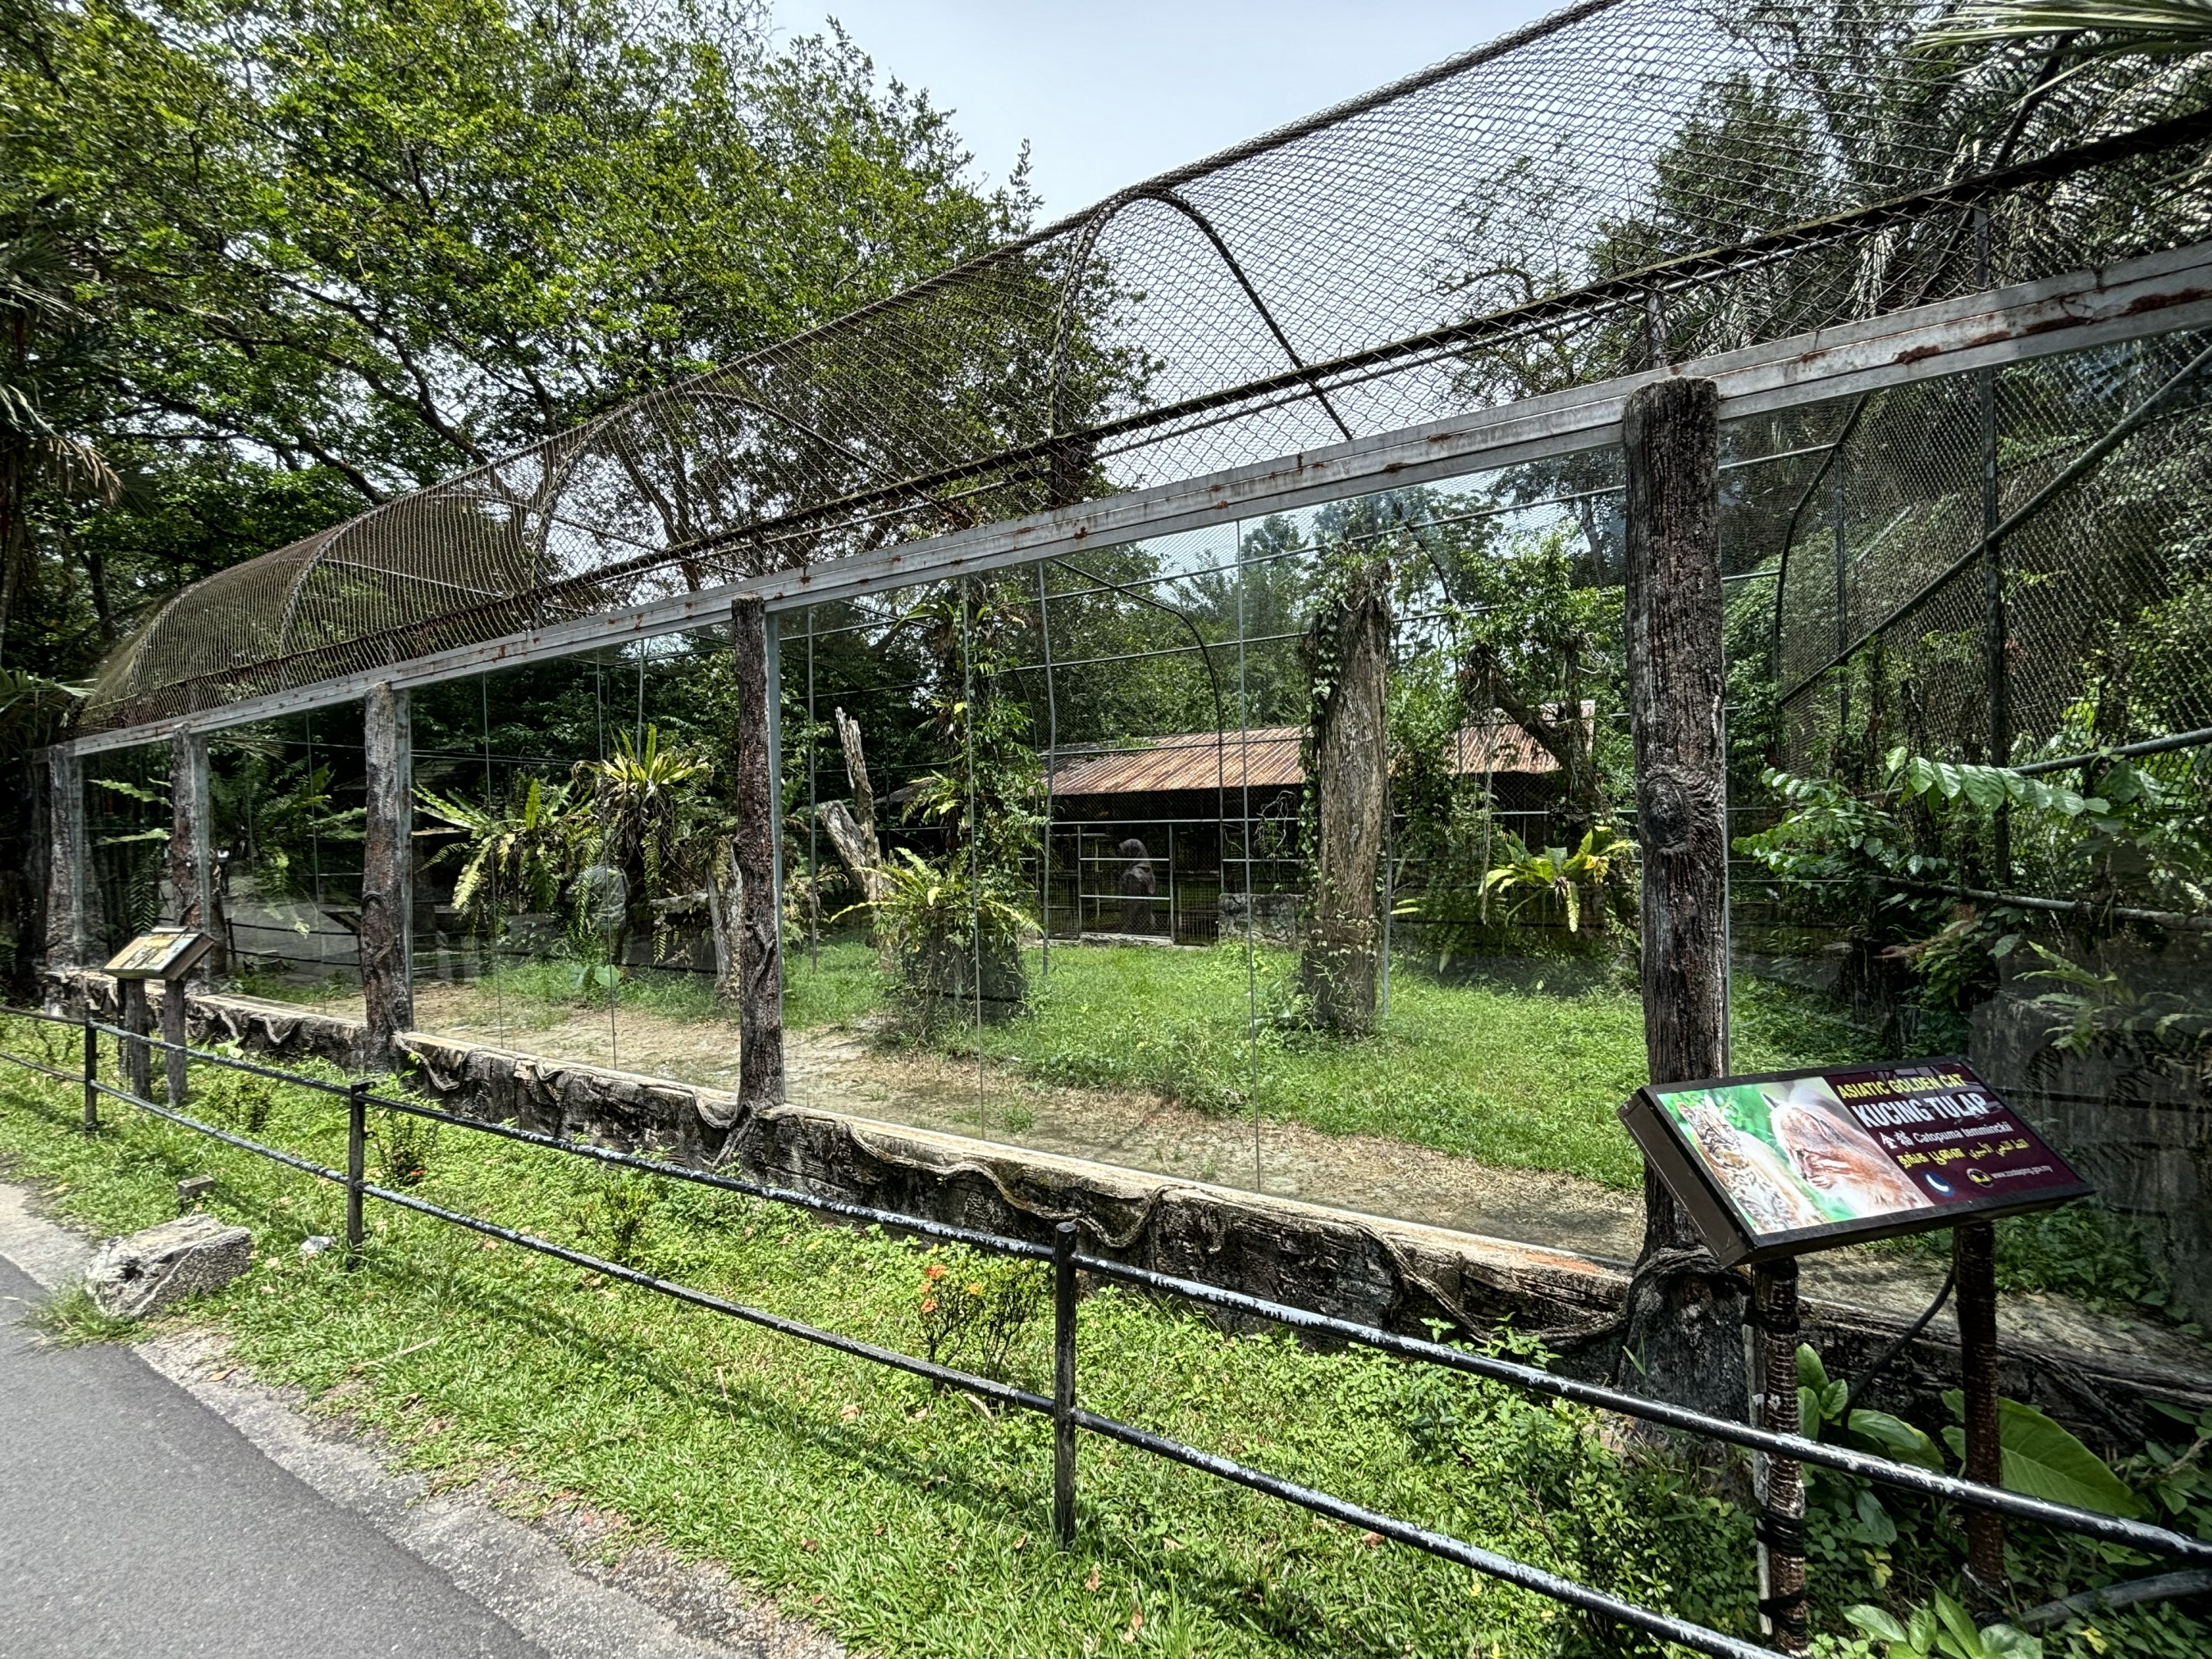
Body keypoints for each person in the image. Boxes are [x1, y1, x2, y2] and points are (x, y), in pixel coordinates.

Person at [1117, 838, 1156, 934]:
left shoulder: (1135, 873)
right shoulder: (1146, 869)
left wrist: (1126, 926)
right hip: (1143, 915)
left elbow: (1132, 902)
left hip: (1135, 919)